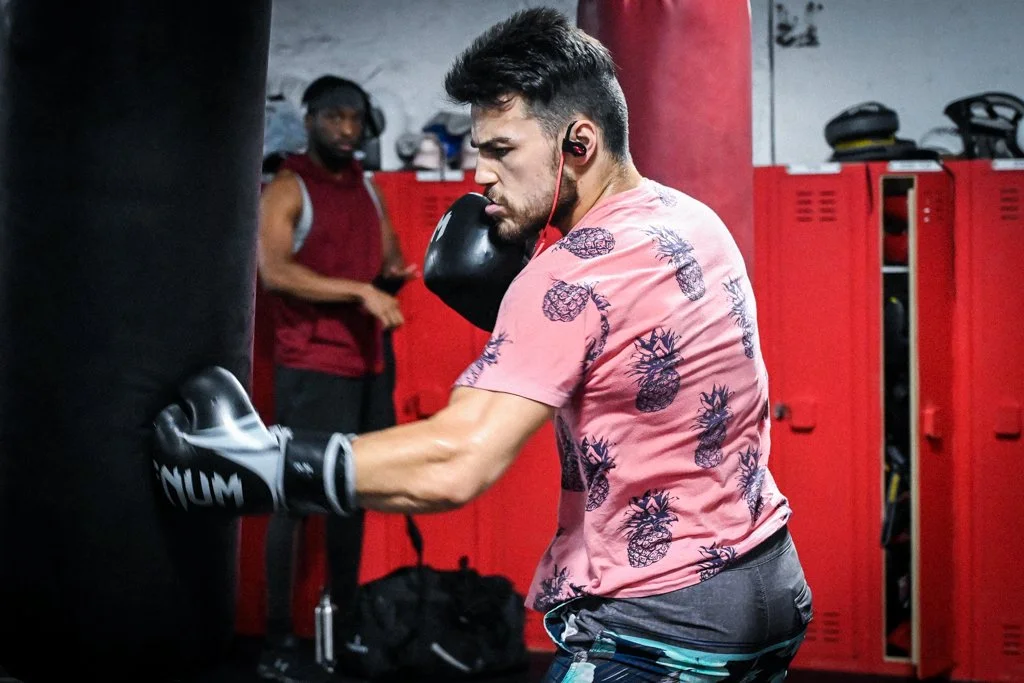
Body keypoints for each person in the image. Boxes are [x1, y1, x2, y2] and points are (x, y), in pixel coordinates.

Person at [154, 9, 811, 682]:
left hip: (658, 626)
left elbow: (456, 463)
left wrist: (265, 463)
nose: (481, 176)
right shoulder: (691, 217)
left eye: (501, 150)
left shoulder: (567, 275)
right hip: (767, 588)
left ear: (577, 144)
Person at [254, 74, 414, 682]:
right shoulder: (289, 187)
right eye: (335, 118)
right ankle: (276, 642)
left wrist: (399, 277)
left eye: (355, 119)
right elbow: (275, 272)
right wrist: (360, 292)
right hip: (314, 365)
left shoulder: (367, 189)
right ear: (312, 119)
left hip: (369, 363)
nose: (346, 130)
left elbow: (386, 265)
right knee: (294, 500)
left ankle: (344, 632)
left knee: (352, 497)